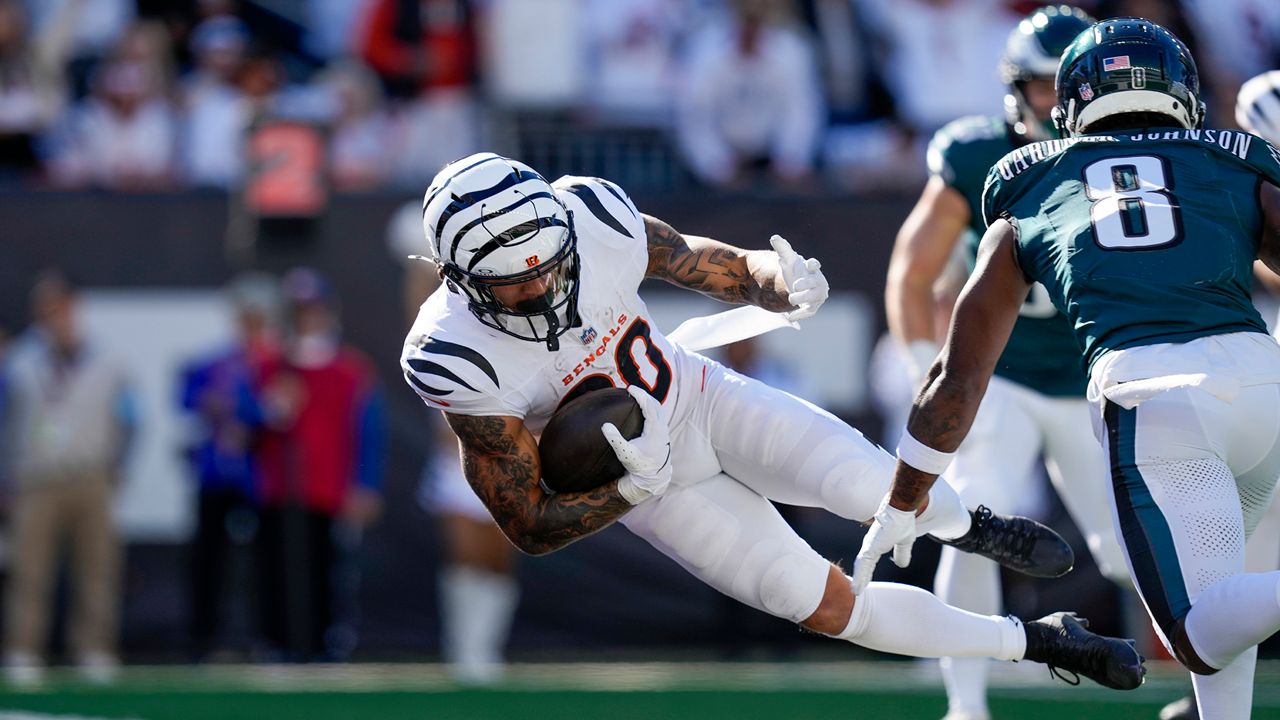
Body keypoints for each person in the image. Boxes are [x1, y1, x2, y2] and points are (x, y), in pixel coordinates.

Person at [400, 152, 1145, 688]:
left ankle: (967, 525)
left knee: (875, 488)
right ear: (456, 279)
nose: (542, 284)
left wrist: (773, 280)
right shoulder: (454, 356)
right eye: (515, 281)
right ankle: (1040, 643)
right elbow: (527, 523)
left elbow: (698, 258)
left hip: (701, 395)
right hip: (653, 486)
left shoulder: (590, 216)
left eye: (547, 263)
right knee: (823, 606)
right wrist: (631, 490)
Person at [860, 19, 1280, 720]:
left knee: (1196, 632)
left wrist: (905, 494)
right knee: (1228, 592)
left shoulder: (1030, 179)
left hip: (1154, 396)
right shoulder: (1235, 156)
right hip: (1263, 384)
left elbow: (955, 381)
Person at [883, 8, 1132, 719]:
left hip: (1093, 375)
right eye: (1041, 86)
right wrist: (923, 364)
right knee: (973, 509)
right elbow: (912, 268)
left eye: (1067, 85)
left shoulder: (1128, 156)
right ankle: (965, 705)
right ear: (1015, 90)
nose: (1054, 103)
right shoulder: (975, 154)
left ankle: (1202, 679)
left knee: (1127, 550)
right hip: (1001, 374)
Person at [388, 200, 519, 684]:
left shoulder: (503, 312)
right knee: (464, 551)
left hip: (508, 449)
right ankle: (464, 654)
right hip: (457, 452)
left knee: (497, 556)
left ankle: (486, 653)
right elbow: (417, 312)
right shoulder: (433, 324)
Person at [2, 271, 134, 685]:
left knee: (97, 569)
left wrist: (118, 465)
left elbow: (131, 418)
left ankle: (93, 648)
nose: (55, 317)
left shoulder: (109, 361)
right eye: (47, 309)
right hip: (37, 478)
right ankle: (24, 649)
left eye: (62, 308)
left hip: (91, 475)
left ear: (75, 310)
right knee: (30, 570)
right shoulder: (21, 362)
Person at [256, 268, 384, 661]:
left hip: (329, 491)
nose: (308, 319)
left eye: (313, 310)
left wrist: (365, 484)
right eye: (299, 312)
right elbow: (248, 422)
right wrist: (269, 410)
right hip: (280, 489)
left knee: (328, 568)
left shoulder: (351, 370)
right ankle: (278, 643)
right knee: (277, 567)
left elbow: (369, 432)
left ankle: (327, 642)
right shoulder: (271, 367)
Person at [178, 272, 280, 661]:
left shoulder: (275, 364)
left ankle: (265, 638)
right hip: (216, 476)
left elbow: (277, 412)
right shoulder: (213, 363)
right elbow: (187, 400)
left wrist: (251, 417)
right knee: (209, 560)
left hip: (260, 478)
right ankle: (206, 639)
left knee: (266, 562)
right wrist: (209, 404)